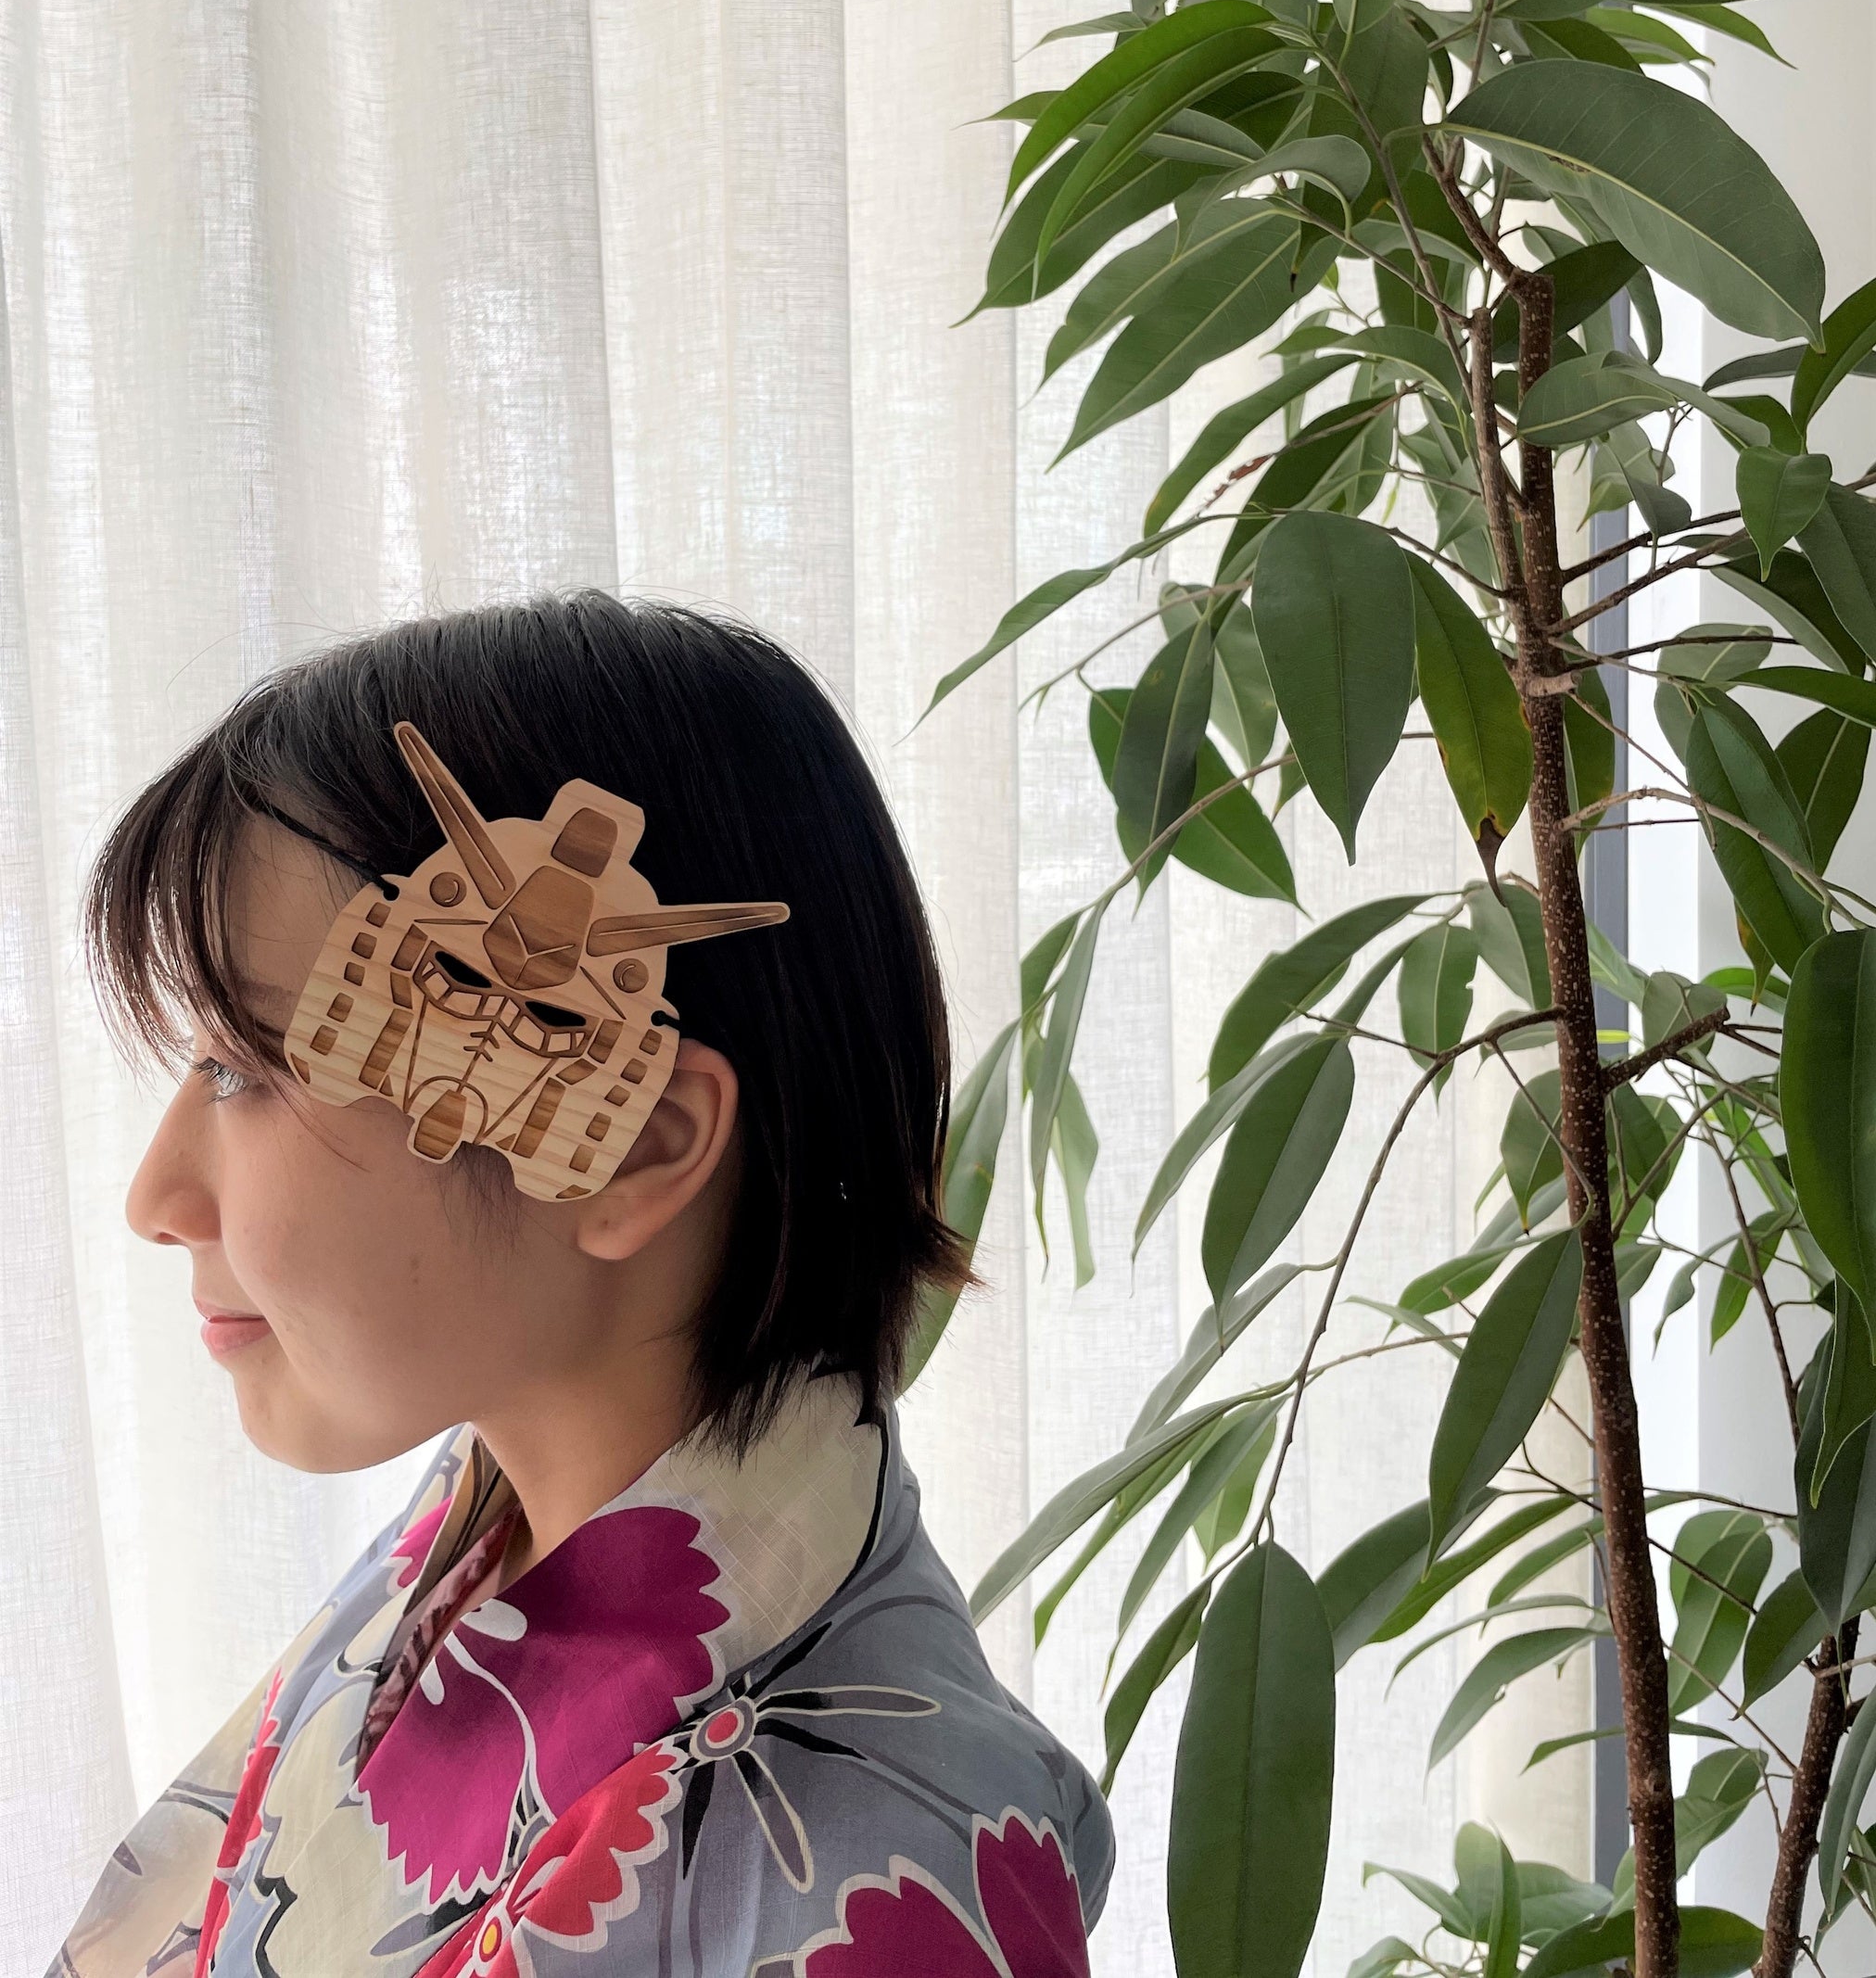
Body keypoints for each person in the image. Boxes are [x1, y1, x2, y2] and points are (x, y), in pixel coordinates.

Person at [49, 592, 1112, 1978]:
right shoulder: (490, 1531)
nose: (155, 1198)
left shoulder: (873, 1859)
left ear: (630, 1144)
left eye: (247, 1068)